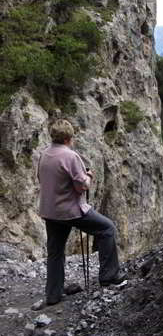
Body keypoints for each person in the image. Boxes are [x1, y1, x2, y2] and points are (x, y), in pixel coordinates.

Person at [38, 119, 126, 306]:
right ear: (69, 137)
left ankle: (53, 294)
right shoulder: (71, 157)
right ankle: (109, 276)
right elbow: (81, 186)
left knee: (55, 251)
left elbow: (42, 178)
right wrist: (89, 176)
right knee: (107, 229)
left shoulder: (44, 154)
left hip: (50, 210)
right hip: (71, 210)